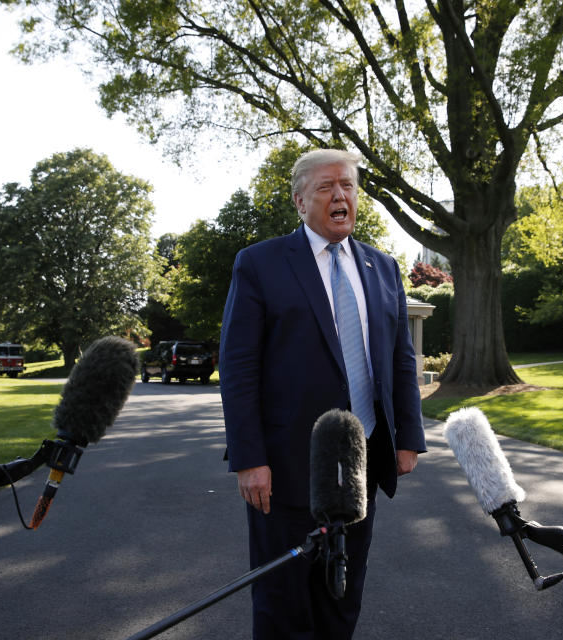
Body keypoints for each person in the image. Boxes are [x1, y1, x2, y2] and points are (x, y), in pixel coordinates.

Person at [220, 148, 427, 639]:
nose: (341, 196)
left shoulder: (383, 268)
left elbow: (400, 359)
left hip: (360, 464)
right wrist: (249, 458)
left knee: (343, 596)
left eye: (349, 186)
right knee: (283, 603)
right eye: (326, 187)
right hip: (285, 467)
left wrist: (408, 436)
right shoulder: (260, 264)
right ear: (299, 200)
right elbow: (238, 365)